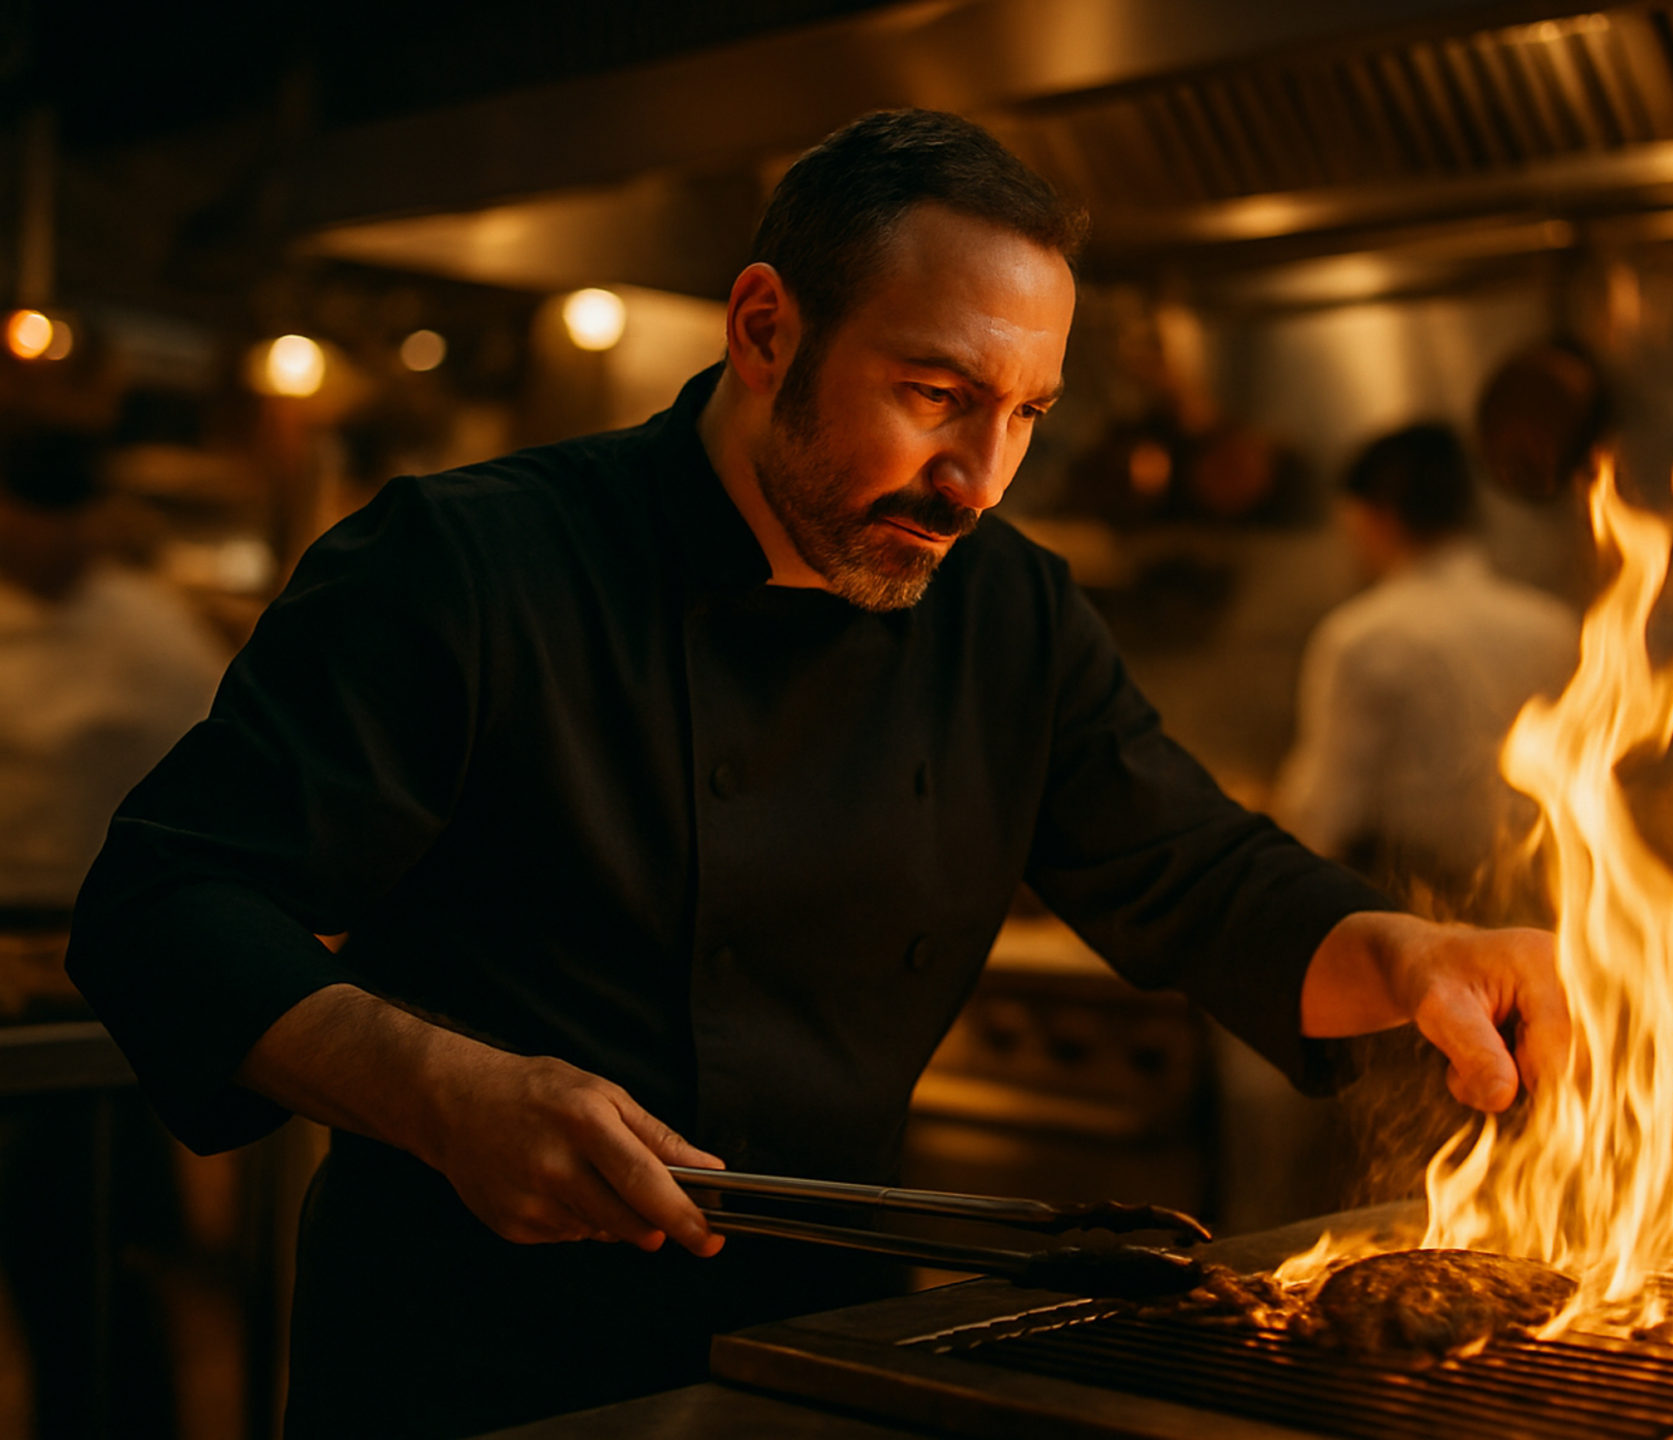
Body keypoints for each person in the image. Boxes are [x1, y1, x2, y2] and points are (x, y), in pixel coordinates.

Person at [67, 111, 1567, 1438]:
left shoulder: (1011, 613)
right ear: (766, 328)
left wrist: (1414, 953)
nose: (980, 479)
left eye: (1026, 416)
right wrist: (444, 1091)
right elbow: (164, 900)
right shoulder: (468, 564)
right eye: (935, 393)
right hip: (469, 1374)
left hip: (823, 1362)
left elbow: (1204, 878)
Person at [0, 429, 224, 1439]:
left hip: (112, 955)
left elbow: (217, 776)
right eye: (36, 507)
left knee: (100, 1255)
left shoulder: (151, 624)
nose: (58, 534)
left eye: (74, 508)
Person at [1276, 423, 1578, 910]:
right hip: (1545, 907)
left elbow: (1324, 817)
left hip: (1416, 913)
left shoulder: (1363, 637)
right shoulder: (1554, 626)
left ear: (1379, 516)